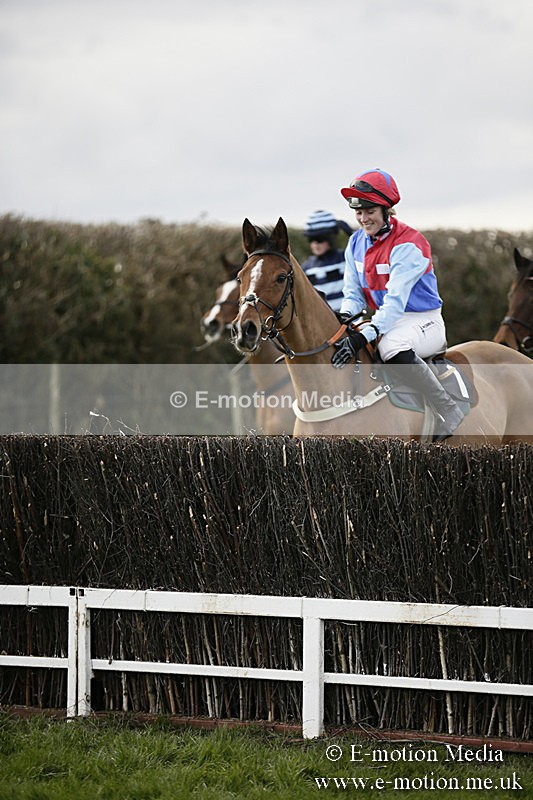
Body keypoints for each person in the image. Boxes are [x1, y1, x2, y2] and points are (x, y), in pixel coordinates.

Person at [331, 168, 464, 441]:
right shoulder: (355, 242)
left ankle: (448, 408)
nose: (363, 218)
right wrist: (344, 319)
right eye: (358, 212)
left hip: (421, 320)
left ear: (386, 209)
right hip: (385, 319)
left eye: (369, 211)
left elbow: (394, 304)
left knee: (391, 346)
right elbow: (352, 294)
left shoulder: (409, 244)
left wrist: (366, 334)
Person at [301, 210, 352, 313]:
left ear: (331, 238)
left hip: (350, 318)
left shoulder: (345, 259)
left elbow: (366, 252)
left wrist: (352, 234)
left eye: (320, 239)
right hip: (324, 324)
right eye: (311, 239)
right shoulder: (307, 268)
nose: (315, 244)